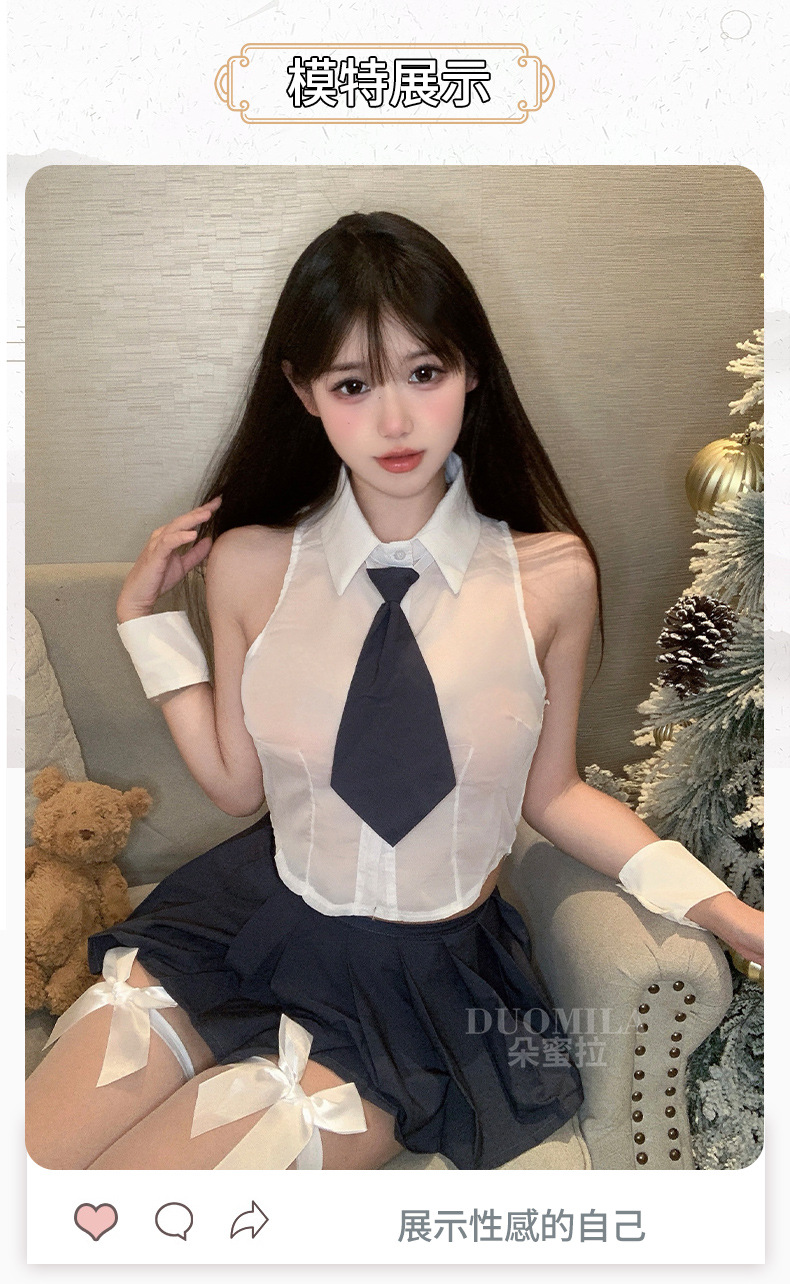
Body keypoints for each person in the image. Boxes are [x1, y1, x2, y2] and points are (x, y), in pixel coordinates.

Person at [25, 211, 764, 1172]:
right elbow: (238, 786)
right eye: (352, 384)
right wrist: (142, 621)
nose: (396, 422)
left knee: (145, 1207)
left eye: (424, 372)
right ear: (303, 391)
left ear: (471, 371)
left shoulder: (552, 578)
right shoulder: (251, 564)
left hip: (422, 983)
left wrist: (725, 911)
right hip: (254, 914)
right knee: (34, 1164)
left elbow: (553, 794)